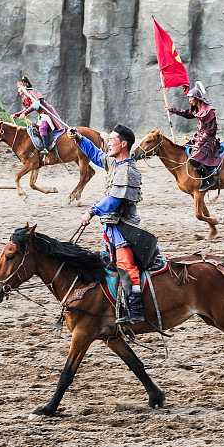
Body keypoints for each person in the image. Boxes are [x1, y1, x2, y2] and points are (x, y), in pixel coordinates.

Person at [68, 124, 146, 324]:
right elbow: (95, 155)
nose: (108, 142)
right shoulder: (114, 164)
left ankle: (136, 309)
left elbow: (114, 200)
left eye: (112, 140)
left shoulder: (128, 171)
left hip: (125, 228)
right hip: (113, 228)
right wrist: (79, 138)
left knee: (126, 266)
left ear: (123, 144)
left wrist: (91, 210)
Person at [165, 82, 221, 192]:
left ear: (196, 98)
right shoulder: (196, 108)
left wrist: (201, 140)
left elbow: (211, 130)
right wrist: (173, 110)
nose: (189, 101)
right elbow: (187, 114)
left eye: (191, 99)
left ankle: (209, 180)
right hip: (199, 137)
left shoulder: (209, 111)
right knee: (185, 149)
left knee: (194, 159)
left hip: (209, 139)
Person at [11, 75, 64, 156]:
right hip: (42, 115)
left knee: (42, 128)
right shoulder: (26, 98)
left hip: (47, 114)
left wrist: (25, 113)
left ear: (24, 86)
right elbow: (26, 108)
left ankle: (46, 148)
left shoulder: (32, 93)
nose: (18, 90)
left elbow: (36, 105)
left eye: (19, 88)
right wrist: (17, 114)